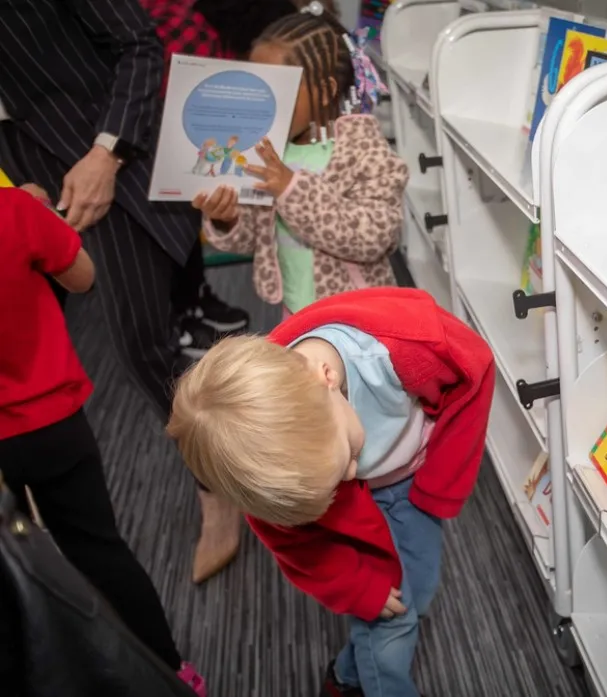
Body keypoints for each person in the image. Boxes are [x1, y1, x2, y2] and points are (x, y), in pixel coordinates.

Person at [0, 0, 245, 583]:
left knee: (140, 346)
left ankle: (218, 482)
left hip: (96, 156)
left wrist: (106, 154)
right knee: (27, 349)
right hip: (17, 171)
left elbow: (138, 42)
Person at [166, 288, 495, 697]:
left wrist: (440, 484)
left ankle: (345, 678)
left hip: (413, 479)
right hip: (350, 519)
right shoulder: (267, 463)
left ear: (327, 378)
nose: (354, 473)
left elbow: (474, 370)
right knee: (393, 621)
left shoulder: (407, 345)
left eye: (347, 459)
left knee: (419, 592)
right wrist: (360, 589)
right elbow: (300, 549)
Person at [0, 186, 206, 696]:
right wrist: (44, 222)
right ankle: (169, 670)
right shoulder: (16, 210)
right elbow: (84, 276)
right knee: (98, 548)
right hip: (53, 423)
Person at [195, 8, 406, 318]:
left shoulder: (363, 150)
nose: (263, 103)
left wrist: (290, 187)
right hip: (295, 312)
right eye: (257, 89)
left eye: (276, 90)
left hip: (360, 316)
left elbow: (374, 237)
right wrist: (226, 219)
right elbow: (254, 240)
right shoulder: (268, 152)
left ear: (325, 92)